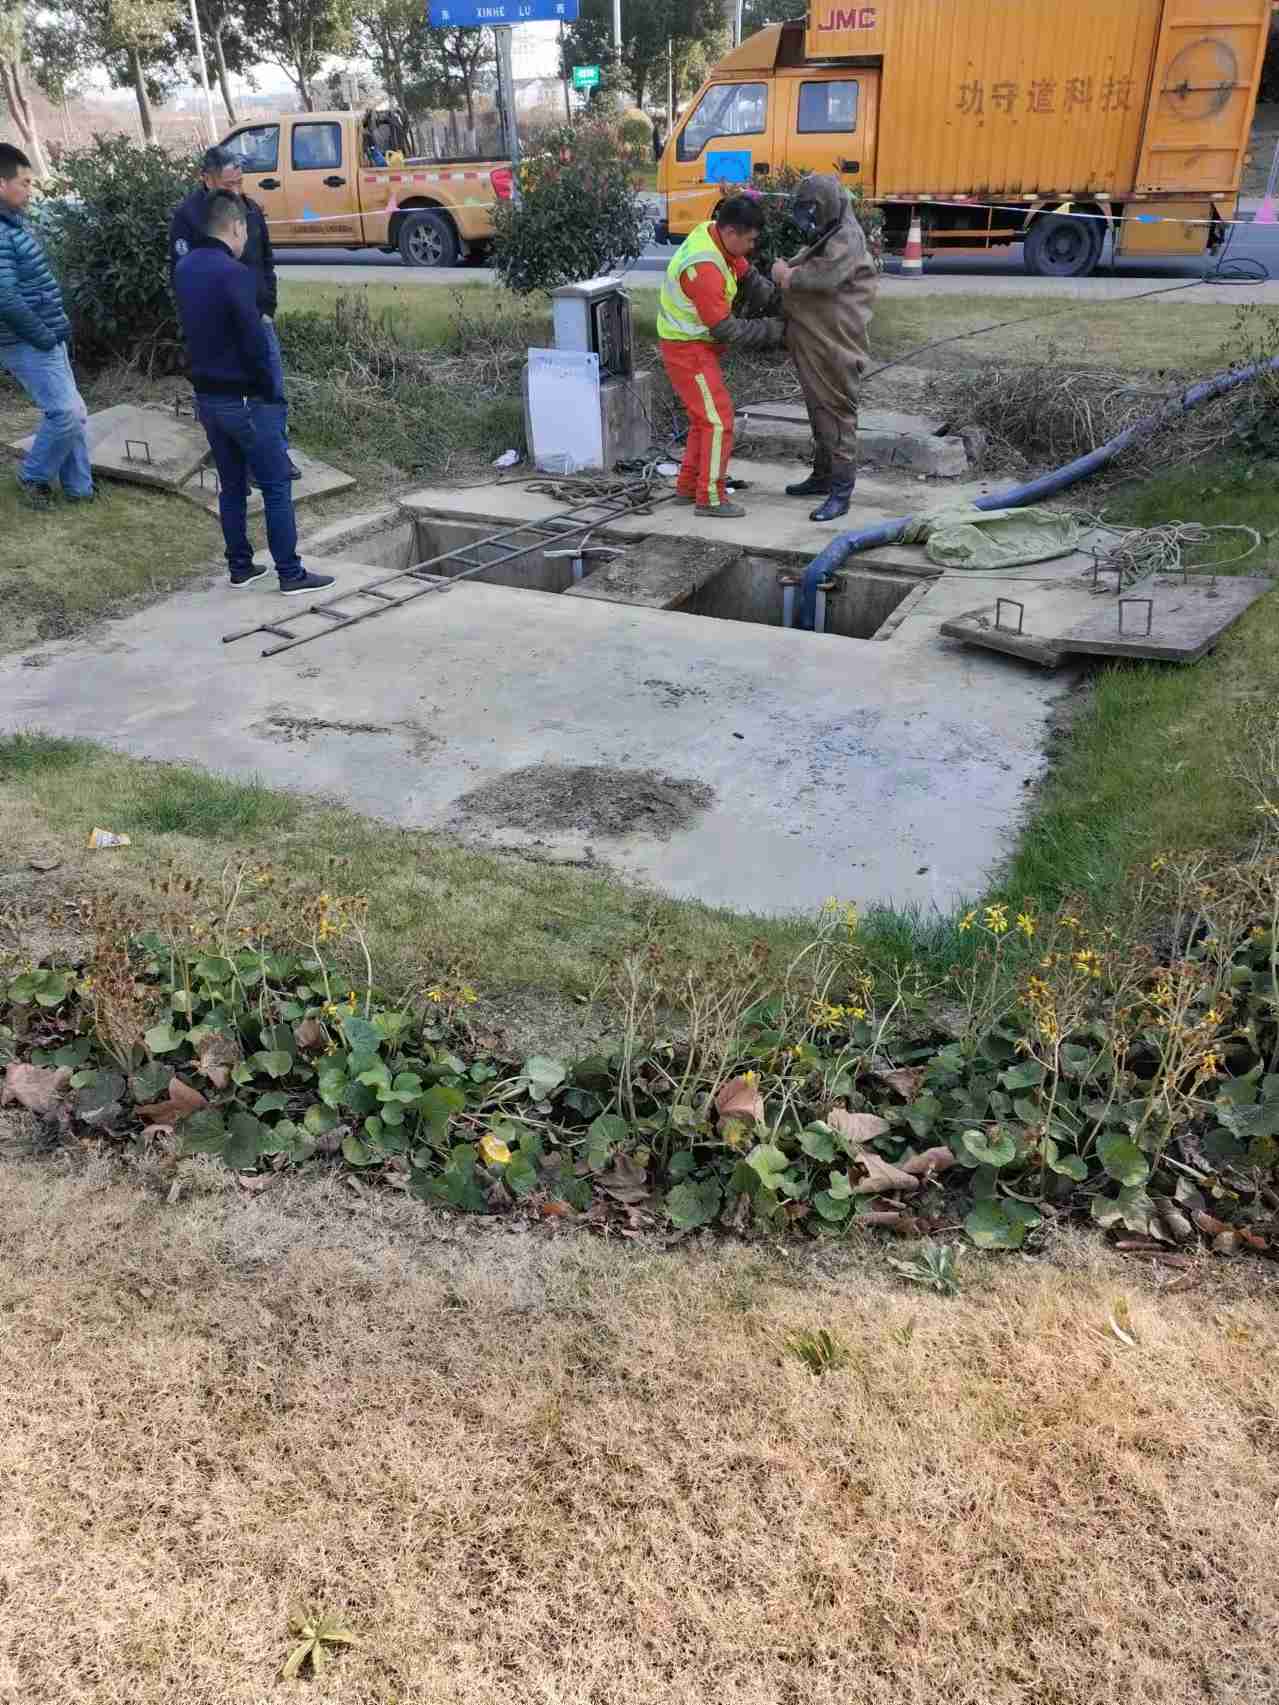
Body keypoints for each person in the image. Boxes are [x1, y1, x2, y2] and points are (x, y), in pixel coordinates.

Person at [173, 192, 333, 595]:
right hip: (244, 399)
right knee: (277, 484)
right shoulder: (235, 273)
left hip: (207, 397)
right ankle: (291, 573)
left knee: (231, 485)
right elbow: (254, 341)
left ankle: (241, 566)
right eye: (246, 229)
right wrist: (267, 393)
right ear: (236, 227)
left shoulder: (185, 268)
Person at [169, 144, 299, 478]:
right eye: (229, 185)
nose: (237, 191)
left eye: (240, 182)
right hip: (218, 325)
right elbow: (182, 274)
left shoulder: (251, 210)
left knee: (271, 387)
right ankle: (235, 457)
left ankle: (275, 453)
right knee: (228, 395)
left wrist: (268, 306)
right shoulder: (190, 217)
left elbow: (267, 261)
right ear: (207, 180)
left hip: (257, 316)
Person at [656, 194, 785, 518]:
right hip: (688, 349)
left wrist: (780, 302)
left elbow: (747, 276)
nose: (753, 247)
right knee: (718, 421)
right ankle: (710, 498)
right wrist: (775, 330)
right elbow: (725, 329)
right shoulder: (705, 267)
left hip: (690, 346)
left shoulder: (715, 237)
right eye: (751, 240)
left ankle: (687, 487)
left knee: (704, 420)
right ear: (732, 233)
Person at [770, 172, 877, 523]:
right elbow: (810, 258)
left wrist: (786, 275)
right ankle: (823, 476)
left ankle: (841, 492)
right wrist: (791, 265)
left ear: (828, 205)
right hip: (816, 339)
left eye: (813, 209)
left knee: (837, 414)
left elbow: (824, 276)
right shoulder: (831, 231)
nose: (809, 219)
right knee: (818, 410)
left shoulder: (846, 237)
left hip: (836, 343)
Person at [0, 142, 95, 509]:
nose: (29, 189)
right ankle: (34, 477)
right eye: (23, 182)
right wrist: (44, 334)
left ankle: (80, 489)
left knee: (74, 411)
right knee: (66, 413)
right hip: (27, 338)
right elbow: (5, 297)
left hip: (42, 334)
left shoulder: (11, 224)